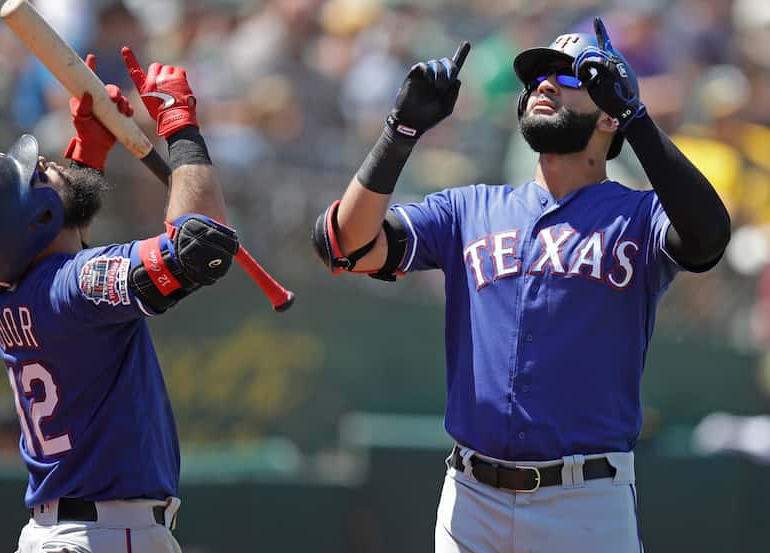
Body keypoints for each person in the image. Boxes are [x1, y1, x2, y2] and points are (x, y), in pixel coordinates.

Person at [312, 17, 730, 553]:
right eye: (539, 78)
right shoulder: (469, 208)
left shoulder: (641, 215)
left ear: (609, 114)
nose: (546, 85)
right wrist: (400, 132)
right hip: (469, 501)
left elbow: (708, 239)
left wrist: (637, 118)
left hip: (585, 503)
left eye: (572, 77)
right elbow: (346, 245)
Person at [0, 48, 238, 553]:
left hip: (69, 530)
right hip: (103, 535)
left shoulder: (6, 284)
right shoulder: (70, 285)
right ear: (35, 215)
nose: (49, 165)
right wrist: (180, 126)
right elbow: (201, 245)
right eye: (38, 175)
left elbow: (60, 243)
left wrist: (89, 150)